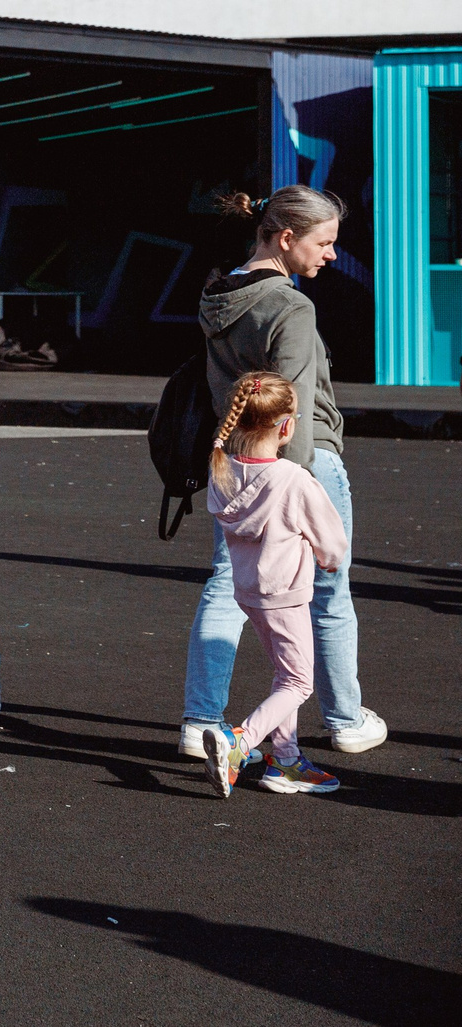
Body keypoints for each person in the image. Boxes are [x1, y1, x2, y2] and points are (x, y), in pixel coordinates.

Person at [180, 185, 386, 760]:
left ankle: (200, 722)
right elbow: (294, 402)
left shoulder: (218, 293)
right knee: (328, 588)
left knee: (225, 584)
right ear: (287, 237)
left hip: (234, 460)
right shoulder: (291, 307)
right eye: (323, 243)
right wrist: (291, 488)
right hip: (299, 462)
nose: (332, 255)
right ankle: (345, 718)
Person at [197, 373, 348, 798]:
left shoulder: (222, 468)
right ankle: (239, 743)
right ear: (286, 427)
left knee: (286, 675)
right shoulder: (294, 479)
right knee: (300, 681)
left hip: (249, 592)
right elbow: (333, 544)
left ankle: (285, 760)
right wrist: (329, 562)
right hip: (285, 594)